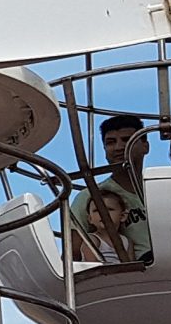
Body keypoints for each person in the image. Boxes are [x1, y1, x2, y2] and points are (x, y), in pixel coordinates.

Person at [66, 113, 154, 265]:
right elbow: (72, 253)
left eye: (127, 140)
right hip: (135, 273)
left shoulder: (160, 190)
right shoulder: (90, 196)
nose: (119, 147)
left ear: (145, 146)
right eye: (111, 142)